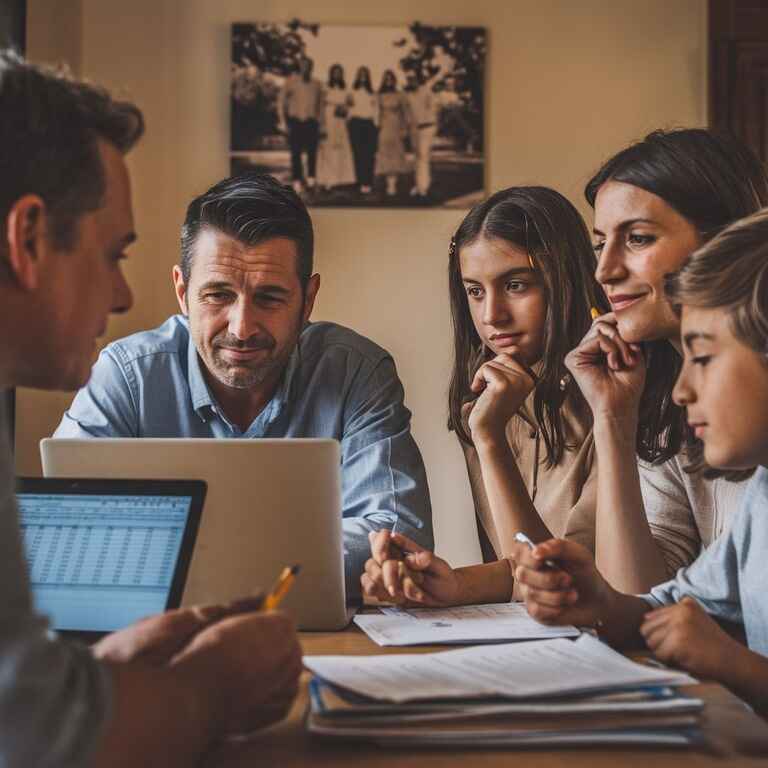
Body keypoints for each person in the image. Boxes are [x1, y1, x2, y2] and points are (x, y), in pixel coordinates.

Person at [0, 50, 301, 767]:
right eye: (113, 253)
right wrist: (209, 687)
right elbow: (36, 738)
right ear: (30, 239)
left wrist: (106, 663)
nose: (121, 297)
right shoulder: (126, 368)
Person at [54, 172, 433, 595]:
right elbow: (67, 526)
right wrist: (285, 560)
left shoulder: (357, 372)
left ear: (308, 300)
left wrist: (173, 555)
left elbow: (398, 538)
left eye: (269, 298)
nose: (242, 327)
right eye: (218, 295)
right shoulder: (126, 375)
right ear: (182, 292)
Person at [513, 208, 768, 712]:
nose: (679, 390)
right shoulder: (762, 493)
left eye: (703, 358)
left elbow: (714, 647)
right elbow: (666, 609)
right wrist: (602, 604)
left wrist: (736, 666)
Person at [361, 187, 608, 605]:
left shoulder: (613, 402)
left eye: (515, 285)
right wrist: (441, 583)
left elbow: (561, 580)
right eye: (475, 291)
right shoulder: (488, 405)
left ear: (565, 279)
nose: (491, 315)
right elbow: (516, 568)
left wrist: (489, 440)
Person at [568, 128, 768, 593]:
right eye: (601, 244)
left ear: (723, 242)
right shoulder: (666, 406)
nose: (605, 270)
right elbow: (635, 597)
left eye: (637, 238)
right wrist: (613, 418)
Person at [280, 57, 323, 195]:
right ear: (299, 67)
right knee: (296, 152)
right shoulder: (291, 82)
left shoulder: (316, 84)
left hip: (311, 122)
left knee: (312, 152)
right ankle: (297, 180)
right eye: (303, 65)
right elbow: (281, 103)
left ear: (311, 67)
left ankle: (311, 179)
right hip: (295, 121)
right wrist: (283, 122)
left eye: (308, 66)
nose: (306, 68)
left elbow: (320, 106)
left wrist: (321, 123)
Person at [316, 63, 355, 191]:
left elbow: (351, 104)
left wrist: (345, 107)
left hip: (341, 121)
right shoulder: (325, 87)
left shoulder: (346, 89)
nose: (337, 75)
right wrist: (322, 124)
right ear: (331, 74)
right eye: (335, 72)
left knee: (341, 149)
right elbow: (321, 107)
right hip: (328, 119)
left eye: (339, 72)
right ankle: (328, 180)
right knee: (328, 150)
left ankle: (341, 179)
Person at [375, 70, 412, 197]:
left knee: (396, 154)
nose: (389, 81)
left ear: (394, 80)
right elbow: (376, 112)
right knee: (385, 154)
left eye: (391, 79)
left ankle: (393, 185)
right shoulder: (379, 95)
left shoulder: (400, 95)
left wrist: (405, 129)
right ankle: (387, 183)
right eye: (387, 79)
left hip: (396, 126)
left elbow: (405, 113)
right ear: (384, 81)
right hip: (384, 127)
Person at [404, 71, 438, 199]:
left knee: (423, 157)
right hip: (414, 129)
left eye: (413, 78)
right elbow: (408, 113)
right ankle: (418, 185)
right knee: (417, 158)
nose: (411, 81)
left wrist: (422, 120)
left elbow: (433, 108)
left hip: (427, 127)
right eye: (409, 79)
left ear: (418, 79)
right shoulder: (408, 95)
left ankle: (423, 187)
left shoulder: (426, 91)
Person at [348, 66, 378, 195]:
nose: (363, 77)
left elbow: (376, 111)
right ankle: (359, 182)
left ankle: (368, 182)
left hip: (369, 124)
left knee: (369, 155)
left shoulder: (373, 93)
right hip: (355, 123)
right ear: (357, 77)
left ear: (368, 77)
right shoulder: (352, 92)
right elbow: (348, 109)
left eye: (365, 75)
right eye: (360, 75)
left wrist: (376, 125)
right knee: (357, 154)